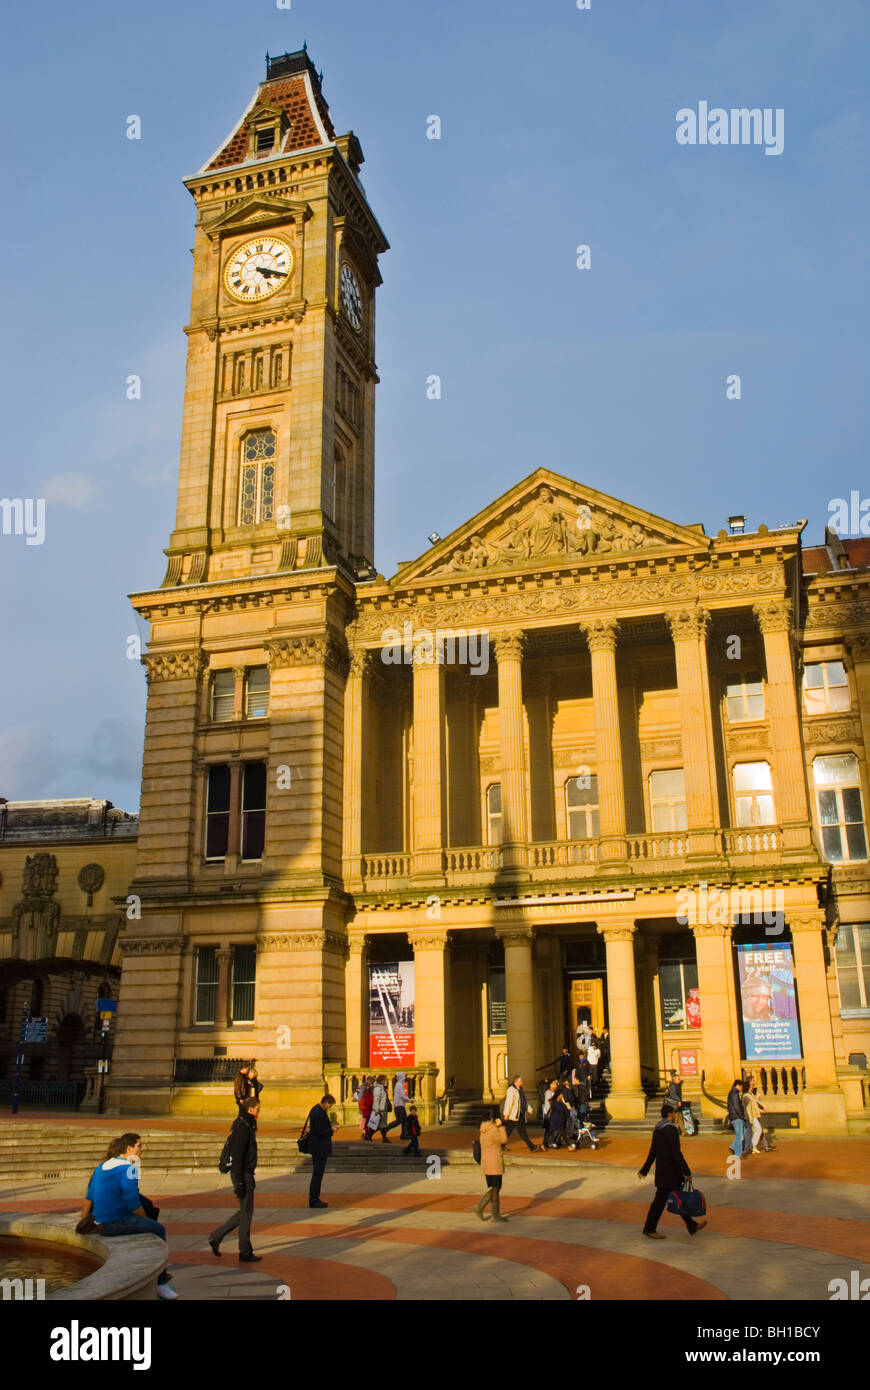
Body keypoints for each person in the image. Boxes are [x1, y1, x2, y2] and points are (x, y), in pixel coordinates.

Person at [81, 1132, 179, 1298]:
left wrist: (84, 1220)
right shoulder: (128, 1169)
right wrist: (147, 1221)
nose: (142, 1150)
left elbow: (89, 1198)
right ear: (129, 1149)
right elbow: (133, 1204)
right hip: (114, 1222)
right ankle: (161, 1283)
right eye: (139, 1146)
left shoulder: (102, 1167)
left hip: (100, 1221)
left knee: (147, 1210)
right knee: (158, 1229)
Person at [637, 1104, 707, 1239]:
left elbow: (653, 1151)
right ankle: (649, 1228)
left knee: (677, 1197)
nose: (675, 1116)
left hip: (663, 1171)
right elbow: (676, 1153)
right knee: (660, 1202)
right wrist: (686, 1171)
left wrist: (644, 1170)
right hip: (671, 1172)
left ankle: (691, 1225)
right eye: (674, 1114)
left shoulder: (658, 1129)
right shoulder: (671, 1129)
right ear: (670, 1115)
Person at [209, 1096, 261, 1262]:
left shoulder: (246, 1124)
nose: (259, 1111)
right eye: (258, 1109)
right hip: (242, 1174)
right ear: (250, 1109)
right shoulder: (242, 1127)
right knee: (246, 1212)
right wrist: (239, 1181)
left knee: (245, 1211)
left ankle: (216, 1237)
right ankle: (244, 1251)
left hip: (245, 1173)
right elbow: (238, 1156)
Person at [474, 1107, 509, 1222]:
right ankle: (492, 1212)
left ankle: (481, 1207)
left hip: (486, 1162)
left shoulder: (483, 1128)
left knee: (495, 1187)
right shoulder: (493, 1129)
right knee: (496, 1188)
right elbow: (503, 1139)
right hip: (494, 1161)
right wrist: (501, 1127)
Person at [306, 1093, 336, 1209]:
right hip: (319, 1147)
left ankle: (315, 1198)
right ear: (326, 1102)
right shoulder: (318, 1112)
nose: (330, 1108)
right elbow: (320, 1131)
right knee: (317, 1174)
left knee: (317, 1174)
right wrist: (332, 1130)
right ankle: (314, 1199)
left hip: (317, 1146)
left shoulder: (316, 1110)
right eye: (330, 1105)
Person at [502, 1075, 538, 1151]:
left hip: (519, 1114)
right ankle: (532, 1147)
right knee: (522, 1133)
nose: (522, 1082)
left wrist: (529, 1108)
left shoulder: (520, 1089)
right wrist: (506, 1114)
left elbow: (524, 1101)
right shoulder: (511, 1090)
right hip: (514, 1115)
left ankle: (501, 1145)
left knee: (507, 1131)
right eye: (520, 1081)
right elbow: (509, 1102)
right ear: (516, 1082)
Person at [384, 1072, 409, 1139]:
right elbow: (402, 1096)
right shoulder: (399, 1085)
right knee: (399, 1120)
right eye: (404, 1076)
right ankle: (386, 1128)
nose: (405, 1078)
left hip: (400, 1105)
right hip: (399, 1106)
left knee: (404, 1120)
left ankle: (404, 1134)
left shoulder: (399, 1085)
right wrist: (409, 1100)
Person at [726, 1078, 745, 1159]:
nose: (741, 1088)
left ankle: (733, 1147)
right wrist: (741, 1116)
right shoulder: (734, 1093)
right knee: (740, 1136)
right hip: (737, 1117)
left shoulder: (732, 1093)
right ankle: (737, 1153)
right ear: (737, 1085)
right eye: (741, 1086)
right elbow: (737, 1106)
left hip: (734, 1116)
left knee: (740, 1135)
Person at [368, 1074, 390, 1141]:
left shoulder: (382, 1088)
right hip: (380, 1109)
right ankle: (369, 1135)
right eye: (384, 1080)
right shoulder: (378, 1089)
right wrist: (377, 1110)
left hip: (383, 1108)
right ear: (381, 1080)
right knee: (379, 1125)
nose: (385, 1081)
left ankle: (384, 1138)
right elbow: (376, 1100)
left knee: (381, 1125)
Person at [743, 1082, 764, 1154]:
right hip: (751, 1116)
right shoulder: (746, 1096)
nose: (752, 1087)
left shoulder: (750, 1095)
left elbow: (754, 1105)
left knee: (756, 1130)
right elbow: (748, 1108)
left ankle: (753, 1146)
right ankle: (752, 1146)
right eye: (751, 1086)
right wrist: (750, 1118)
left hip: (753, 1115)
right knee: (758, 1129)